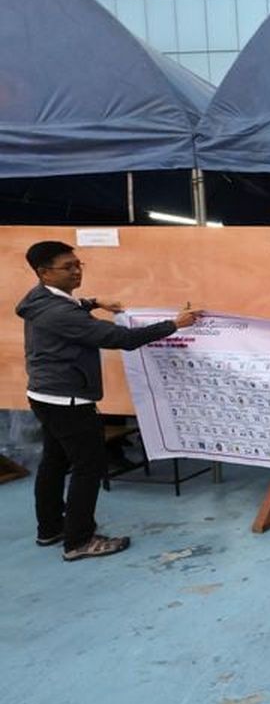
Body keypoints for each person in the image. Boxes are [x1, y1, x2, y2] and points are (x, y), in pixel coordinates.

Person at [17, 241, 201, 562]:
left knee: (54, 462)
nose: (76, 272)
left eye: (78, 265)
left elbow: (69, 310)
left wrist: (91, 302)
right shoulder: (60, 313)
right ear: (44, 272)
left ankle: (50, 529)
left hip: (44, 394)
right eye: (68, 267)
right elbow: (122, 339)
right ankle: (79, 540)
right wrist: (174, 324)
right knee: (89, 467)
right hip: (68, 400)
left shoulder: (38, 299)